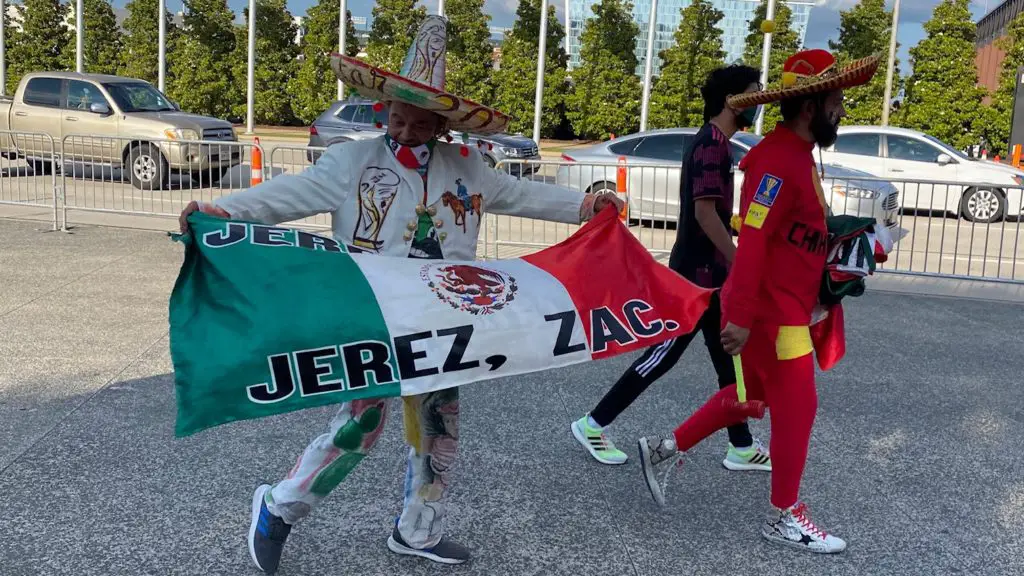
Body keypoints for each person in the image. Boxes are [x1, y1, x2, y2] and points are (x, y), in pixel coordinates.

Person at [177, 16, 623, 574]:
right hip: (370, 315)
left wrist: (588, 205)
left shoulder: (468, 166)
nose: (405, 131)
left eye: (419, 123)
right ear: (384, 109)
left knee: (440, 428)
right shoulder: (352, 160)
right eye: (397, 117)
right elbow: (289, 195)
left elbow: (522, 193)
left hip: (446, 319)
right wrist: (222, 210)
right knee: (361, 425)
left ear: (441, 125)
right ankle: (278, 507)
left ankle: (417, 529)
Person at [635, 49, 880, 554]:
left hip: (785, 309)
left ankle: (663, 451)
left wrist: (844, 250)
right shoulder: (776, 160)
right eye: (835, 99)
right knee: (799, 408)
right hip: (773, 315)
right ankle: (784, 515)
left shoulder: (793, 154)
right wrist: (740, 316)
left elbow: (790, 236)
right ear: (810, 105)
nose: (842, 108)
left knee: (754, 400)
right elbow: (754, 244)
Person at [570, 64, 772, 472]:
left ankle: (741, 445)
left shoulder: (714, 142)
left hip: (710, 276)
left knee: (729, 359)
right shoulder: (712, 145)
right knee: (663, 355)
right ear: (733, 99)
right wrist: (740, 262)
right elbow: (703, 213)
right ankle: (593, 423)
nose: (760, 99)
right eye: (754, 92)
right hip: (696, 276)